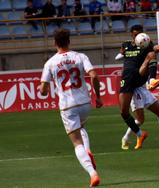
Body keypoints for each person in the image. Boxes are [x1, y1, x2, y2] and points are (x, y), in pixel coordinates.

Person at [39, 29, 103, 187]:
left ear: (55, 43)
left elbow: (43, 90)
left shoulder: (50, 63)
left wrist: (43, 89)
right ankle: (88, 151)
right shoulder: (80, 56)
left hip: (67, 105)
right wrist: (98, 96)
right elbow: (94, 75)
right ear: (69, 41)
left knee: (76, 142)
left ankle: (92, 173)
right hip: (84, 103)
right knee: (82, 127)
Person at [118, 23, 159, 150]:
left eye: (139, 34)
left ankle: (152, 80)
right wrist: (121, 53)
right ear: (131, 35)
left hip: (140, 79)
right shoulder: (126, 45)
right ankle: (131, 137)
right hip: (128, 81)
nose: (137, 36)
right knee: (129, 115)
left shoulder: (147, 44)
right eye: (135, 34)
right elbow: (121, 53)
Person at [121, 86, 159, 150]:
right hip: (135, 92)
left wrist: (152, 80)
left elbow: (150, 77)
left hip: (144, 90)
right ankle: (125, 138)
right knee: (140, 120)